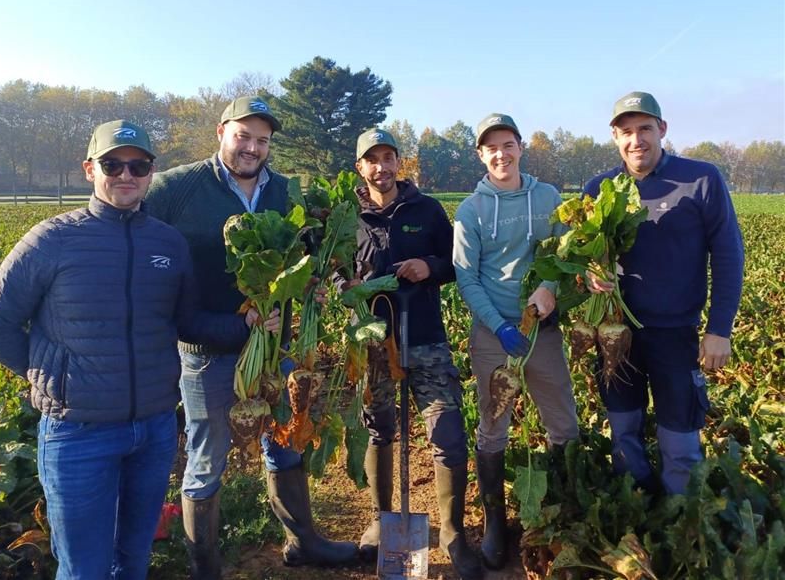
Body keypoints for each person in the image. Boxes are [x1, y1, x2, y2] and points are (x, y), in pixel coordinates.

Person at [0, 120, 258, 580]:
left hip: (151, 432)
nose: (126, 175)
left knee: (133, 562)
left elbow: (189, 323)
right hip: (79, 434)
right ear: (90, 168)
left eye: (138, 165)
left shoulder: (167, 242)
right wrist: (47, 374)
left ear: (152, 172)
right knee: (84, 569)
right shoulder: (51, 240)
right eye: (113, 164)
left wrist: (247, 326)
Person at [144, 96, 357, 578]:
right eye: (243, 136)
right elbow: (132, 231)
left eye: (262, 140)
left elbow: (309, 254)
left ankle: (303, 542)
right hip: (206, 351)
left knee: (286, 442)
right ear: (221, 132)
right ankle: (206, 567)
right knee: (207, 456)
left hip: (275, 348)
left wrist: (315, 290)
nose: (252, 147)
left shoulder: (285, 191)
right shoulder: (177, 187)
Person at [584, 91, 744, 495]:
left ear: (662, 130)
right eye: (626, 131)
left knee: (680, 442)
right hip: (616, 335)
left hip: (676, 334)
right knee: (623, 434)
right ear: (615, 137)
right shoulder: (598, 189)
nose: (636, 140)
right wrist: (588, 275)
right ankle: (638, 512)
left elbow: (728, 257)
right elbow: (582, 257)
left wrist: (719, 329)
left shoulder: (700, 179)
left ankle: (681, 525)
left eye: (645, 129)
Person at [339, 128, 482, 579]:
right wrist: (347, 288)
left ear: (400, 163)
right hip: (373, 345)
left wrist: (430, 268)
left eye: (388, 157)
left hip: (425, 338)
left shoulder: (427, 210)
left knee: (448, 433)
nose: (381, 167)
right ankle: (382, 522)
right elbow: (334, 273)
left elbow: (455, 264)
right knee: (379, 430)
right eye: (372, 160)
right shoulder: (348, 219)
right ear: (360, 168)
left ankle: (453, 532)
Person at [452, 113, 580, 570]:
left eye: (508, 144)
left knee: (562, 423)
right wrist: (499, 325)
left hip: (541, 333)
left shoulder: (547, 198)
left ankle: (563, 514)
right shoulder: (471, 210)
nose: (500, 154)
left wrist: (552, 288)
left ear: (521, 147)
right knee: (494, 424)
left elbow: (566, 256)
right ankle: (493, 525)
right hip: (493, 334)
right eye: (491, 148)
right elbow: (466, 279)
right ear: (481, 155)